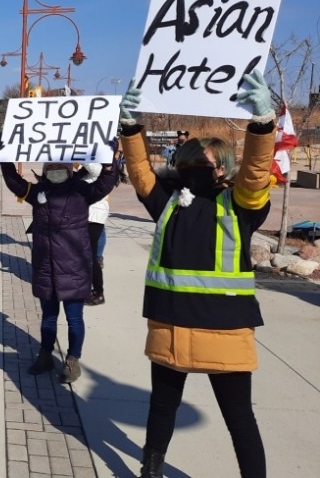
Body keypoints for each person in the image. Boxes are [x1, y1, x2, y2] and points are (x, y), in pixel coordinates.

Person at [118, 70, 275, 478]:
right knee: (161, 410)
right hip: (172, 326)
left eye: (200, 163)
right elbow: (139, 172)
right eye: (185, 162)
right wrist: (131, 127)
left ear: (222, 169)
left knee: (240, 421)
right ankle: (149, 471)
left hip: (223, 332)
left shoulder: (240, 207)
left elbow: (256, 174)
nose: (190, 169)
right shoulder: (167, 203)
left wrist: (262, 125)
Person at [0, 149, 117, 383]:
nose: (55, 170)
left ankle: (73, 360)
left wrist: (109, 163)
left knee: (74, 319)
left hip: (74, 269)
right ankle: (45, 355)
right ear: (45, 170)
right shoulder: (38, 192)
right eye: (50, 167)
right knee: (48, 318)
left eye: (59, 167)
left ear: (69, 169)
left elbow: (105, 183)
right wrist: (4, 157)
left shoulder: (82, 192)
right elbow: (14, 182)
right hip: (46, 268)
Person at [80, 162, 110, 306]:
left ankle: (99, 292)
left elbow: (93, 168)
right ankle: (89, 288)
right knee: (84, 254)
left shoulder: (99, 167)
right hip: (85, 215)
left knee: (90, 255)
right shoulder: (85, 170)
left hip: (94, 216)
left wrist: (76, 151)